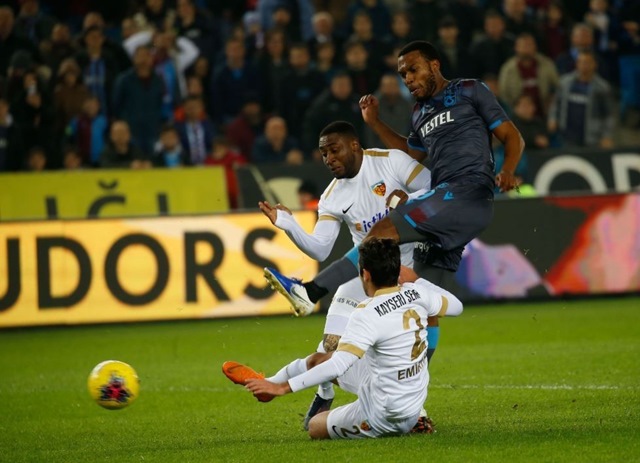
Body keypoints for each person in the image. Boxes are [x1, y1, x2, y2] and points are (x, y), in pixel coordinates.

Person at [263, 40, 523, 319]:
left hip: (466, 190)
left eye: (413, 70)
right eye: (403, 74)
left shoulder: (470, 89)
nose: (408, 78)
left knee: (381, 231)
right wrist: (375, 122)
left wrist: (508, 169)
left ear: (434, 65)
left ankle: (310, 292)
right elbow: (411, 154)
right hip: (449, 205)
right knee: (422, 305)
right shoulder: (419, 112)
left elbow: (512, 136)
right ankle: (418, 351)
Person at [258, 121, 432, 428]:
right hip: (364, 275)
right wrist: (289, 225)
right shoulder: (332, 196)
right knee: (332, 347)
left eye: (334, 150)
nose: (329, 159)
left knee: (398, 353)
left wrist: (409, 203)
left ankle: (416, 410)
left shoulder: (391, 161)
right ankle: (325, 391)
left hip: (406, 274)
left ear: (354, 145)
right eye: (324, 153)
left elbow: (433, 186)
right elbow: (320, 249)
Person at [223, 237, 463, 440]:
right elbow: (457, 307)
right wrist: (416, 279)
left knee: (316, 426)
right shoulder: (417, 292)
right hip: (405, 396)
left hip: (384, 415)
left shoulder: (367, 312)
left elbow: (339, 365)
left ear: (365, 274)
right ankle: (268, 382)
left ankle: (276, 386)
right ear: (397, 269)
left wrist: (284, 388)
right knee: (319, 358)